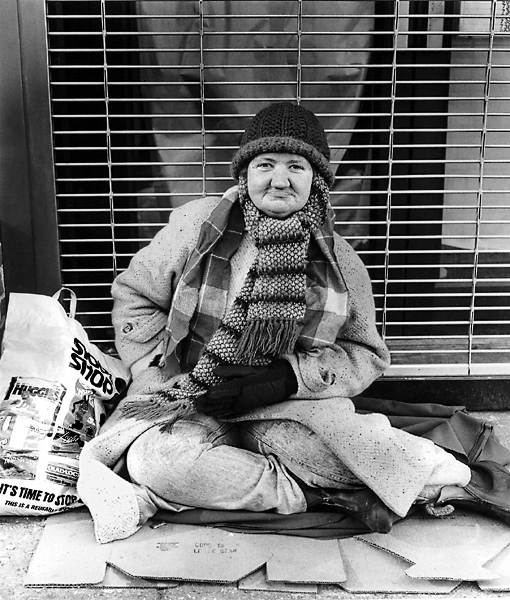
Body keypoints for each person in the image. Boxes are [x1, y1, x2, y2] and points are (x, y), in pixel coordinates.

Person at [77, 102, 510, 543]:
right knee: (159, 463)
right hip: (190, 394)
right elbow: (135, 295)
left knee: (357, 454)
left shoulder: (340, 259)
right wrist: (152, 368)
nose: (278, 179)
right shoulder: (196, 227)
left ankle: (435, 481)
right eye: (265, 164)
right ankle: (318, 498)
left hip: (287, 404)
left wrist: (286, 378)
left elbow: (366, 353)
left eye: (295, 166)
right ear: (245, 174)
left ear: (316, 180)